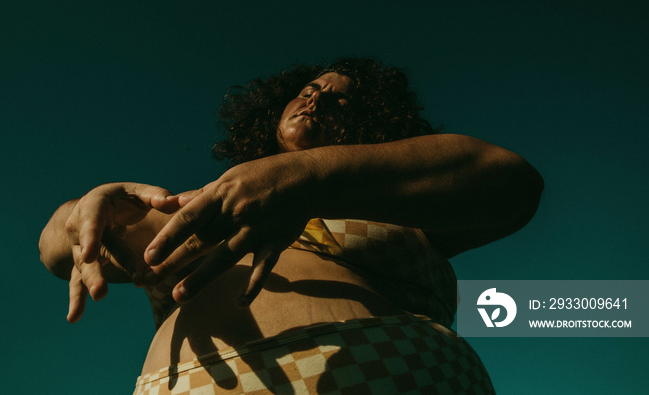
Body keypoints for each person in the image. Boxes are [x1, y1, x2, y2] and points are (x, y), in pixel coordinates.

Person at [39, 58, 543, 394]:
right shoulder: (204, 206)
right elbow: (55, 251)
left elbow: (514, 185)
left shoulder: (402, 196)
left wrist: (307, 177)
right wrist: (82, 209)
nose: (316, 101)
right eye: (309, 89)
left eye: (341, 101)